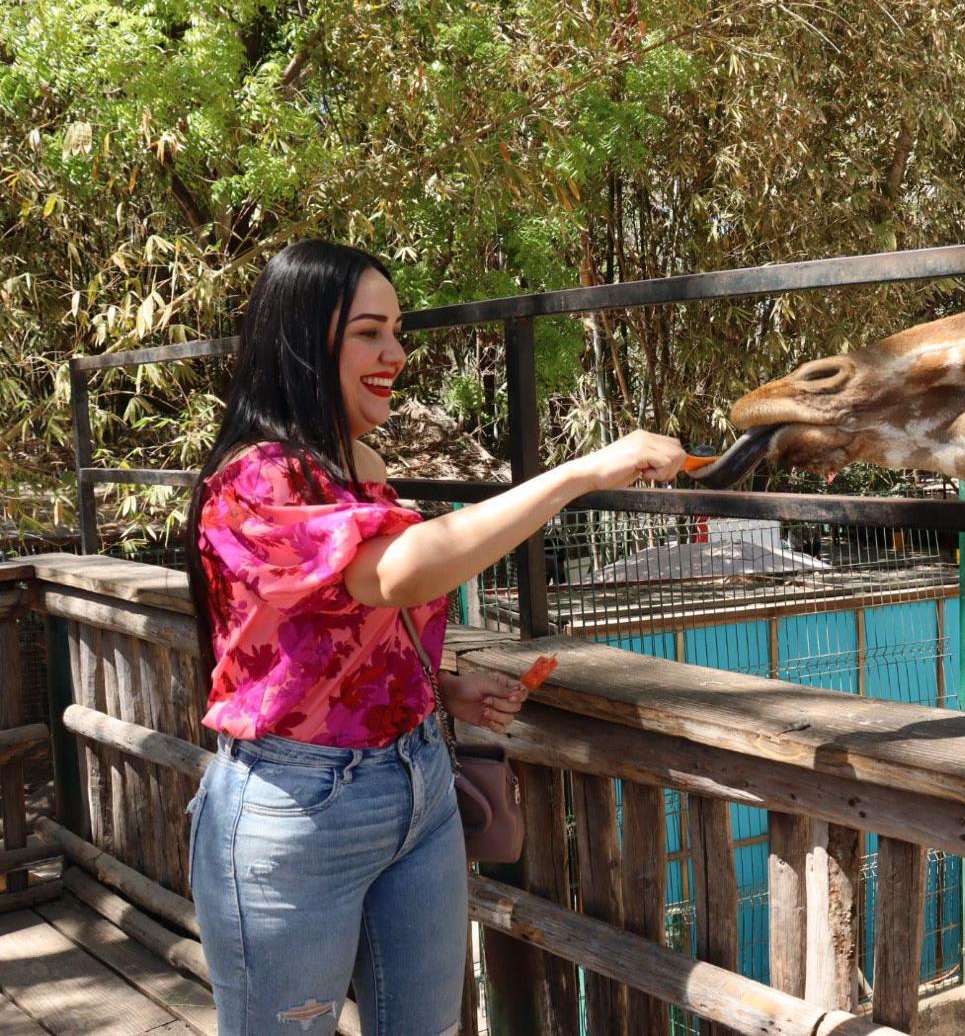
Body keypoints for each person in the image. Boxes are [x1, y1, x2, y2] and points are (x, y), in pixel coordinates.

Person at [182, 240, 685, 1034]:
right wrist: (580, 473)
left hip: (417, 784)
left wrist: (439, 688)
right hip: (298, 808)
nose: (397, 354)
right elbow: (398, 573)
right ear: (306, 338)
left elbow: (342, 625)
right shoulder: (255, 478)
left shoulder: (358, 461)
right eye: (370, 333)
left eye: (398, 331)